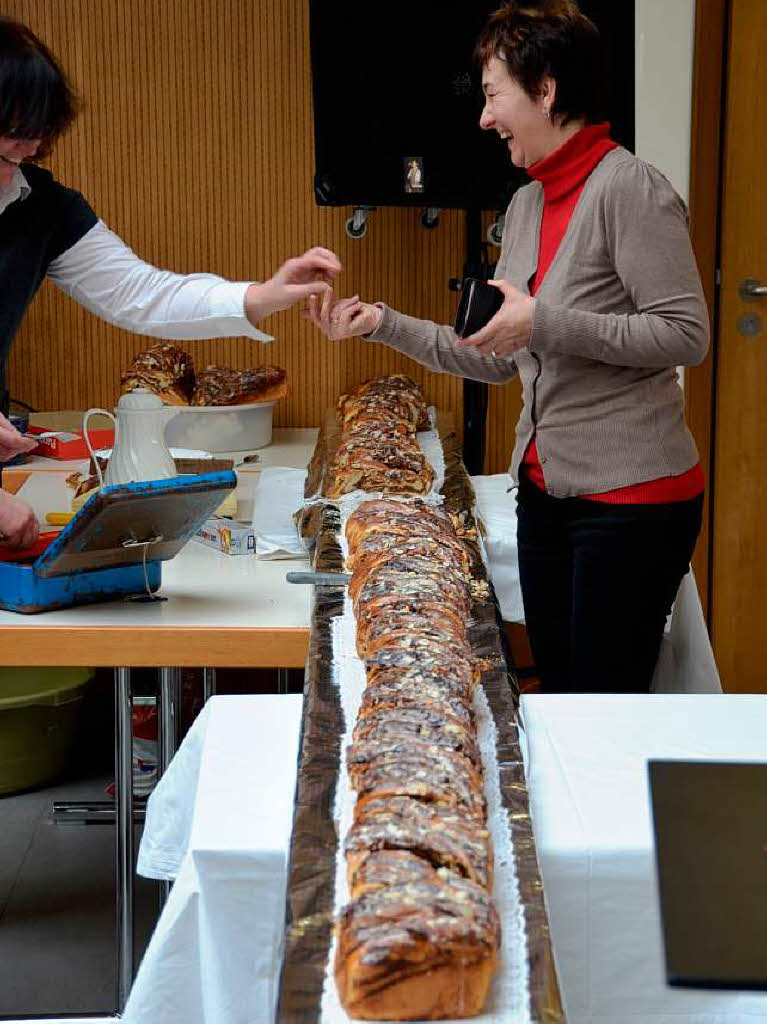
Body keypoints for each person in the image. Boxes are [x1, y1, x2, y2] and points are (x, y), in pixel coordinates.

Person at [306, 0, 709, 694]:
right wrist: (382, 323)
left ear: (545, 91)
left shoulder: (630, 189)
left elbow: (684, 335)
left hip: (633, 498)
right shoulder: (525, 204)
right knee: (557, 697)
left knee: (601, 711)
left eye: (493, 95)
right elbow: (495, 356)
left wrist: (544, 322)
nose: (483, 118)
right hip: (544, 492)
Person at [0, 17, 341, 549]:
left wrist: (260, 295)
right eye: (5, 151)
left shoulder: (40, 206)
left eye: (29, 151)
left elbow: (141, 294)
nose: (15, 169)